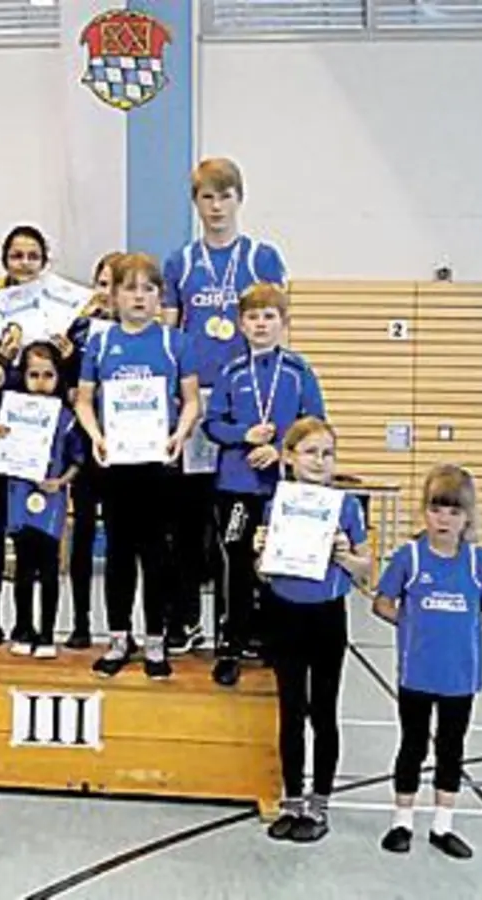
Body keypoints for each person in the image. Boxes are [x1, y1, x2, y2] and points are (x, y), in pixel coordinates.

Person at [162, 157, 289, 657]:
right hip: (198, 401)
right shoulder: (181, 262)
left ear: (240, 198)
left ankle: (248, 623)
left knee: (245, 518)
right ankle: (187, 618)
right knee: (191, 517)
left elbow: (281, 327)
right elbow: (172, 333)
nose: (216, 207)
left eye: (225, 196)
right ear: (195, 203)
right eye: (206, 198)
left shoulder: (263, 257)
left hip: (249, 404)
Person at [73, 253, 202, 680]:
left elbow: (192, 402)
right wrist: (97, 437)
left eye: (149, 289)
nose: (140, 297)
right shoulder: (101, 342)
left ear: (159, 296)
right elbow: (84, 401)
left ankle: (155, 641)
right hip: (116, 464)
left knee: (157, 554)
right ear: (114, 294)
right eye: (130, 288)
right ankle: (117, 637)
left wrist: (179, 435)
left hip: (159, 464)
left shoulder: (173, 342)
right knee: (119, 553)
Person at [374, 464, 482, 860]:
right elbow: (383, 603)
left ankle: (442, 825)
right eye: (436, 509)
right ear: (424, 512)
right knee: (412, 745)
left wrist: (457, 626)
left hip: (460, 677)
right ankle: (402, 821)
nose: (444, 519)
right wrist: (414, 623)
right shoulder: (409, 557)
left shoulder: (478, 562)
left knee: (452, 748)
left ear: (467, 516)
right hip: (417, 674)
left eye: (453, 511)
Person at [252, 417, 370, 842]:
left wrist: (345, 555)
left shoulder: (348, 507)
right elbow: (264, 573)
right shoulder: (275, 504)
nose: (320, 461)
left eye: (328, 453)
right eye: (311, 452)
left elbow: (366, 570)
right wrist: (260, 554)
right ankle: (292, 798)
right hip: (285, 613)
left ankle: (320, 804)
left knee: (323, 711)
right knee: (291, 710)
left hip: (326, 616)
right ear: (289, 457)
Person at [204, 283, 326, 686]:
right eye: (253, 316)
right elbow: (213, 424)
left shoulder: (298, 370)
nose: (261, 324)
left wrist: (278, 448)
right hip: (237, 485)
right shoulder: (230, 372)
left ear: (283, 323)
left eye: (269, 316)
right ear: (241, 323)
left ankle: (275, 641)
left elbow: (315, 426)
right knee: (236, 563)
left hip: (284, 487)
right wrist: (244, 436)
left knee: (278, 562)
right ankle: (230, 645)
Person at [0, 225, 56, 646]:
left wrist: (65, 350)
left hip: (44, 437)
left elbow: (66, 377)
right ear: (5, 260)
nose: (24, 264)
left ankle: (33, 623)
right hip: (1, 432)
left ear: (44, 263)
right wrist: (0, 359)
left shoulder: (57, 312)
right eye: (17, 256)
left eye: (32, 256)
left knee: (37, 533)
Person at [0, 343, 84, 659]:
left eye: (48, 375)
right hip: (20, 496)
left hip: (52, 499)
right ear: (23, 376)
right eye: (34, 375)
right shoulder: (11, 412)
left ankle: (46, 633)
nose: (41, 381)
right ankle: (22, 628)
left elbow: (77, 458)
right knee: (23, 567)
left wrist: (60, 481)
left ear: (59, 377)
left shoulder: (66, 417)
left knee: (48, 567)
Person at [61, 253, 121, 649]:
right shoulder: (76, 331)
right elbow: (62, 383)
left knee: (120, 539)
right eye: (101, 283)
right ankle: (80, 621)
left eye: (117, 284)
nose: (107, 293)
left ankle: (121, 627)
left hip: (125, 450)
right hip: (85, 444)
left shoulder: (143, 334)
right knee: (82, 531)